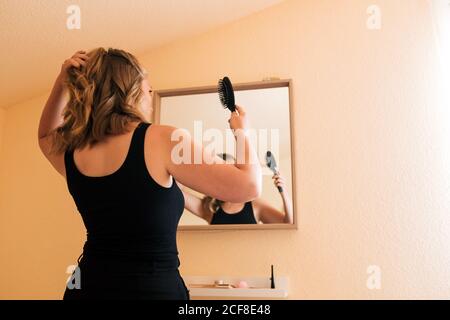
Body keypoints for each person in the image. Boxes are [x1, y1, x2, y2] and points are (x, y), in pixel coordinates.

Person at [37, 48, 261, 299]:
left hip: (87, 287)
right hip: (152, 291)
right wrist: (244, 133)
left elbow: (45, 136)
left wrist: (62, 80)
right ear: (132, 92)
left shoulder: (74, 150)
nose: (151, 96)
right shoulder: (162, 138)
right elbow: (249, 186)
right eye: (148, 88)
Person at [180, 154, 293, 224]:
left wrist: (284, 192)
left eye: (231, 170)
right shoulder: (209, 208)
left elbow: (288, 223)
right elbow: (178, 192)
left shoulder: (254, 204)